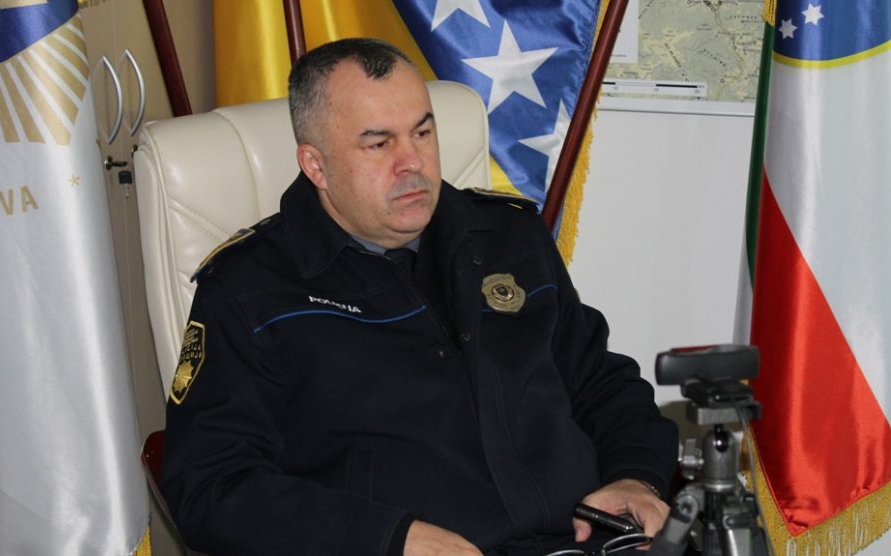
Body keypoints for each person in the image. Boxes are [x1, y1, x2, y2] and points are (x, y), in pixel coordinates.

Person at [161, 38, 678, 556]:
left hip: (585, 542)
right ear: (315, 165)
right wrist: (387, 537)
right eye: (378, 144)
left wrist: (636, 476)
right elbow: (211, 486)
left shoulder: (509, 237)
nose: (413, 163)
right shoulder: (249, 290)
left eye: (423, 132)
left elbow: (600, 383)